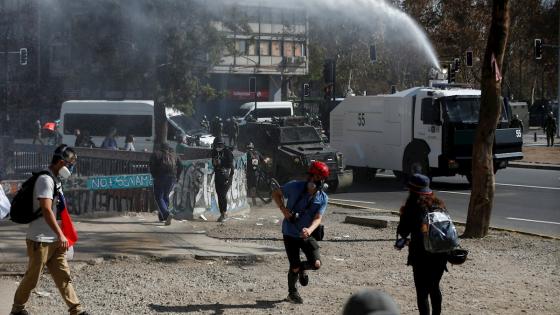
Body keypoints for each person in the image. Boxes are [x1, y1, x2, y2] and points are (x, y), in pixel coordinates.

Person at [10, 144, 90, 315]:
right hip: (40, 240)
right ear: (61, 163)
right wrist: (61, 234)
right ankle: (17, 309)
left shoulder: (56, 180)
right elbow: (46, 210)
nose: (71, 168)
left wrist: (62, 235)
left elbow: (57, 210)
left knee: (63, 277)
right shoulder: (46, 180)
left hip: (55, 239)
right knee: (32, 279)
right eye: (70, 164)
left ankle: (77, 310)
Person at [271, 161, 330, 304]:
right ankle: (292, 293)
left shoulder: (323, 198)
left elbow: (318, 218)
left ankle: (302, 269)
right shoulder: (294, 186)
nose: (314, 180)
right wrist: (284, 210)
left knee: (316, 264)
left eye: (319, 178)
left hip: (306, 235)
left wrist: (309, 230)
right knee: (294, 265)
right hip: (290, 233)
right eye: (313, 176)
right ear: (309, 176)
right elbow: (276, 193)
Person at [395, 174, 448, 315]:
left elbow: (403, 232)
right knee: (434, 287)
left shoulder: (412, 208)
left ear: (411, 190)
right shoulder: (439, 204)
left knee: (422, 291)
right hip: (441, 253)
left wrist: (403, 216)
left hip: (420, 255)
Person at [149, 143, 182, 225]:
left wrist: (154, 175)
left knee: (158, 196)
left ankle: (166, 214)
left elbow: (151, 165)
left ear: (161, 148)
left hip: (160, 177)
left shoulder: (156, 154)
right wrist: (177, 176)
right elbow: (181, 166)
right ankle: (162, 216)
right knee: (165, 196)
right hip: (172, 177)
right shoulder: (174, 155)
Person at [210, 137, 234, 222]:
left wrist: (228, 177)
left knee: (223, 194)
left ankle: (224, 213)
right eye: (217, 145)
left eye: (220, 144)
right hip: (218, 176)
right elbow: (213, 164)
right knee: (219, 195)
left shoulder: (227, 152)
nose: (218, 146)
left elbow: (231, 166)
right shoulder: (214, 152)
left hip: (226, 176)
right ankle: (222, 213)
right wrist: (215, 163)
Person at [246, 142, 264, 206]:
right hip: (256, 173)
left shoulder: (247, 154)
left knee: (250, 187)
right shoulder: (257, 152)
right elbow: (263, 160)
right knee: (253, 187)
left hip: (249, 173)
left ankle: (253, 203)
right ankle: (254, 203)